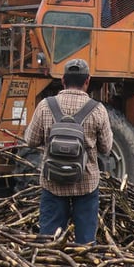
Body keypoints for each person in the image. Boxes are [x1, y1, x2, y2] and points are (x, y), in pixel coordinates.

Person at [23, 58, 113, 245]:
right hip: (86, 183)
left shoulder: (45, 106)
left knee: (48, 242)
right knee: (86, 243)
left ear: (63, 80)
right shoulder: (98, 110)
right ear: (87, 80)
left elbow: (30, 141)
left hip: (52, 183)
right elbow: (106, 148)